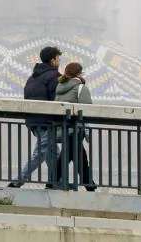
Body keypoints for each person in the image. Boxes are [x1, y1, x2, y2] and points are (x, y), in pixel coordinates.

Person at [8, 45, 61, 188]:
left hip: (34, 121)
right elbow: (57, 100)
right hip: (47, 121)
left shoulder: (32, 77)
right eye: (58, 58)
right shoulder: (54, 76)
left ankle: (55, 182)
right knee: (41, 153)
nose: (59, 61)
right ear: (52, 60)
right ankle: (17, 180)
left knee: (53, 153)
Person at [54, 62, 96, 191]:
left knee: (74, 155)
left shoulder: (59, 87)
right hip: (76, 128)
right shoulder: (80, 88)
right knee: (73, 156)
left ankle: (88, 183)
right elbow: (87, 110)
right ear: (79, 74)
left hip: (63, 127)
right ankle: (88, 185)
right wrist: (88, 130)